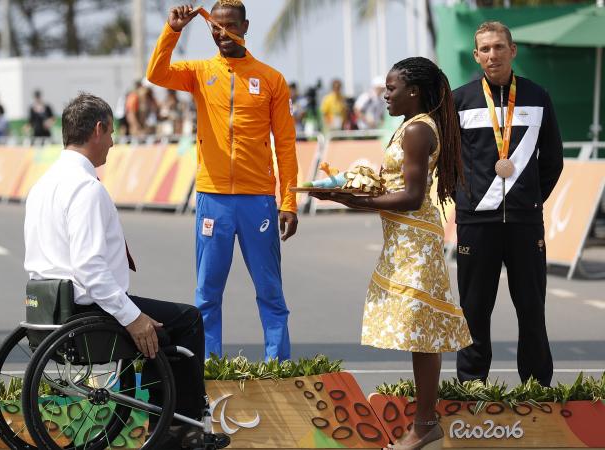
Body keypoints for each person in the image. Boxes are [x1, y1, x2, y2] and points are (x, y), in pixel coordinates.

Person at [23, 93, 210, 448]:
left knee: (162, 327)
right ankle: (179, 429)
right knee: (186, 320)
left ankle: (168, 422)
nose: (112, 142)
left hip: (50, 307)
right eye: (111, 133)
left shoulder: (41, 185)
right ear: (98, 129)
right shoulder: (86, 189)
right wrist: (132, 317)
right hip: (87, 310)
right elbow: (91, 269)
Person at [310, 57, 472, 450]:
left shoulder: (417, 130)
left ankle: (425, 424)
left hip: (416, 242)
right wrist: (347, 191)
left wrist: (354, 202)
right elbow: (396, 184)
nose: (384, 95)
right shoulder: (409, 126)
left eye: (391, 88)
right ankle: (425, 421)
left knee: (422, 333)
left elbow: (413, 196)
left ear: (413, 91)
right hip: (403, 239)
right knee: (419, 332)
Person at [146, 1, 299, 361]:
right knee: (206, 294)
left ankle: (278, 365)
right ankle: (208, 367)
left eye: (230, 26)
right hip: (212, 198)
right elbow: (156, 73)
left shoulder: (272, 79)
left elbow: (287, 146)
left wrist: (288, 201)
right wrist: (173, 30)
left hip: (258, 200)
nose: (222, 33)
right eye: (215, 27)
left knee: (269, 291)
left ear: (245, 26)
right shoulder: (199, 72)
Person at [453, 21, 563, 387]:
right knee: (473, 312)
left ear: (512, 50)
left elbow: (553, 161)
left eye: (499, 47)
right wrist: (465, 201)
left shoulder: (538, 96)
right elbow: (447, 161)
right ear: (476, 55)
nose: (492, 55)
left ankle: (536, 389)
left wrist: (528, 199)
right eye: (485, 49)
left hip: (524, 223)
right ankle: (471, 386)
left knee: (532, 310)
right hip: (476, 224)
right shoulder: (460, 100)